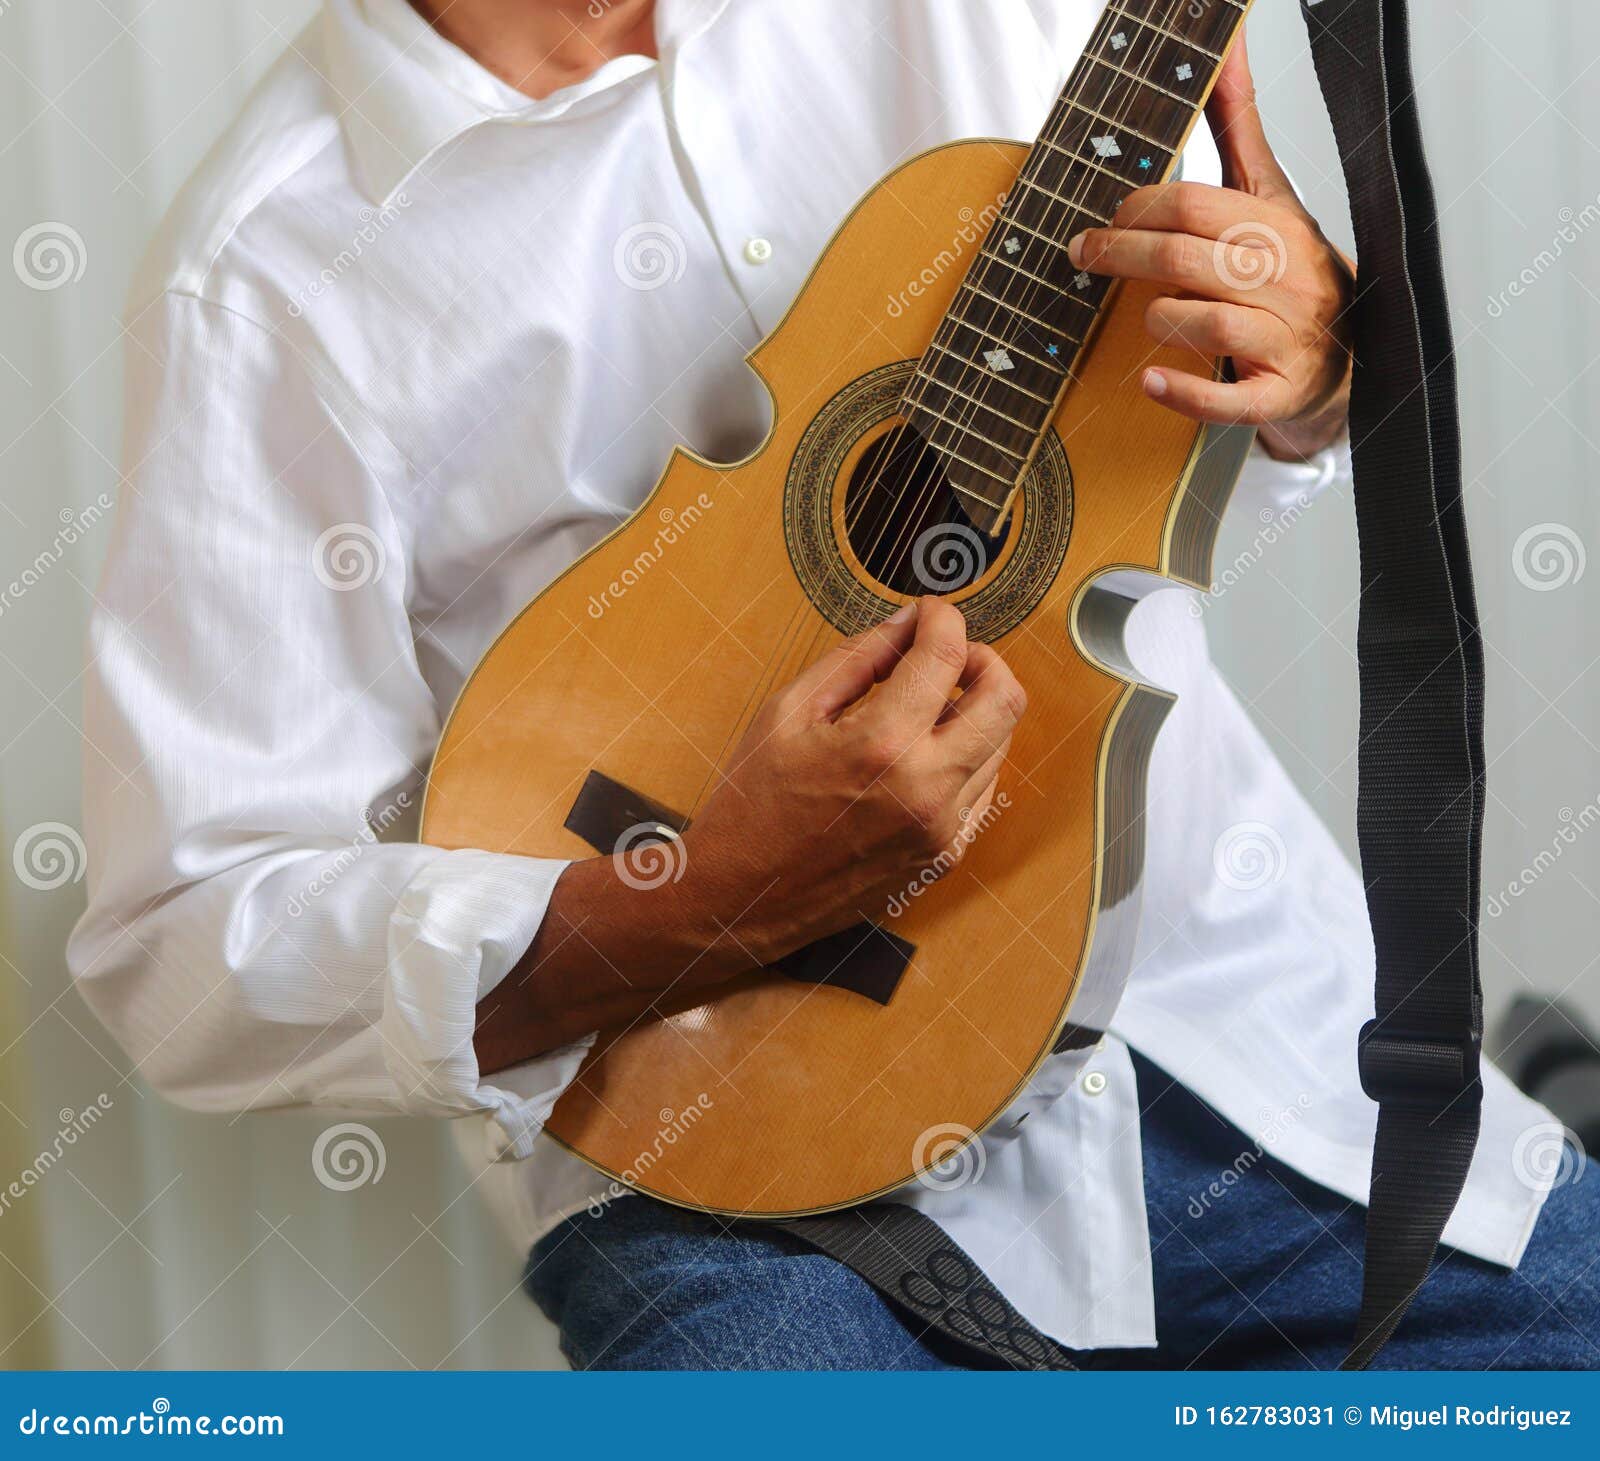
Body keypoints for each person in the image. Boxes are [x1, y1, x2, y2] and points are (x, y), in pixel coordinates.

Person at [68, 0, 1597, 1370]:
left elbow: (1150, 490)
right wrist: (705, 896)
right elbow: (188, 936)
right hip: (726, 1160)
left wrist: (1311, 368)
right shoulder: (264, 273)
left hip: (1231, 1015)